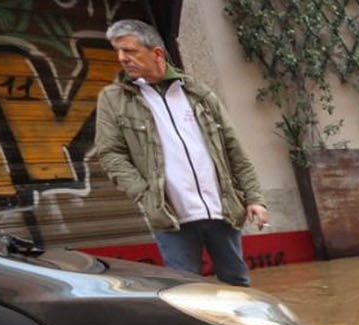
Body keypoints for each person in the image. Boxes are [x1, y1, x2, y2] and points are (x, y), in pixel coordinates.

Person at [93, 19, 267, 287]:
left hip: (222, 210)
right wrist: (146, 192)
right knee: (186, 289)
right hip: (171, 215)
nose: (122, 58)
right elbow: (110, 153)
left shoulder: (198, 93)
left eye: (130, 51)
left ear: (157, 53)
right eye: (118, 51)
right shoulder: (113, 99)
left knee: (237, 282)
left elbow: (233, 148)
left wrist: (254, 198)